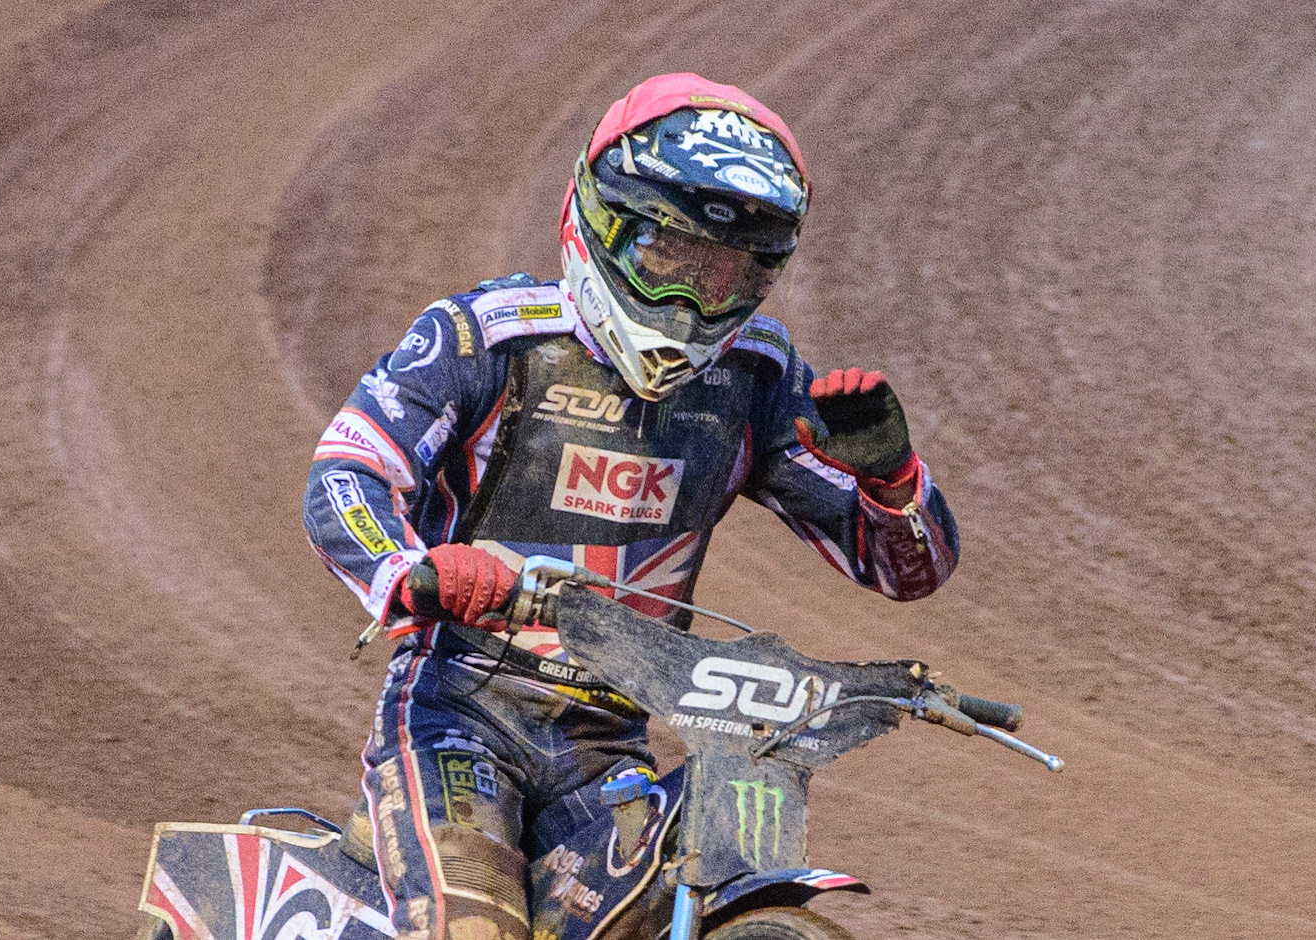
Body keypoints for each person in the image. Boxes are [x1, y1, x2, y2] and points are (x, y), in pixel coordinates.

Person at [303, 72, 959, 940]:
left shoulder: (753, 378)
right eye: (670, 256)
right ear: (601, 221)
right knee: (475, 927)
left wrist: (892, 481)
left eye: (726, 274)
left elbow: (904, 568)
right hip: (459, 714)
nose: (692, 300)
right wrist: (411, 569)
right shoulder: (487, 338)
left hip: (605, 743)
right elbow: (346, 475)